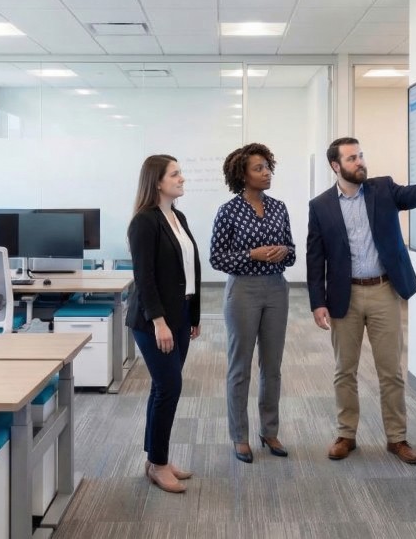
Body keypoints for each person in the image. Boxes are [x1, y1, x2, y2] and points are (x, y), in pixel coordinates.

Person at [306, 137, 416, 464]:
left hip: (383, 291)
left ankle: (397, 438)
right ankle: (346, 434)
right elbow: (315, 256)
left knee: (391, 370)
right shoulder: (320, 206)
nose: (360, 162)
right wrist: (316, 301)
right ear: (336, 166)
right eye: (352, 158)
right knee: (344, 370)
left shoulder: (383, 189)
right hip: (343, 296)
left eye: (361, 155)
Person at [210, 143, 296, 464]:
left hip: (276, 288)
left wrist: (283, 252)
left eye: (267, 167)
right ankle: (239, 436)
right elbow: (217, 257)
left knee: (272, 367)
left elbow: (292, 249)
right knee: (240, 367)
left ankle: (269, 431)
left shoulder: (279, 207)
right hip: (242, 291)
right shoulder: (228, 211)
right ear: (242, 175)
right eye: (258, 168)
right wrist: (252, 254)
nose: (266, 172)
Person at [125, 154, 202, 493]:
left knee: (162, 387)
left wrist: (193, 316)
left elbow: (190, 269)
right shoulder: (144, 221)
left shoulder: (177, 216)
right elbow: (144, 277)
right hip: (153, 320)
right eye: (175, 174)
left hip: (180, 315)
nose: (182, 178)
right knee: (169, 387)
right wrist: (160, 322)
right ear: (157, 182)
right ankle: (158, 463)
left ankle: (156, 458)